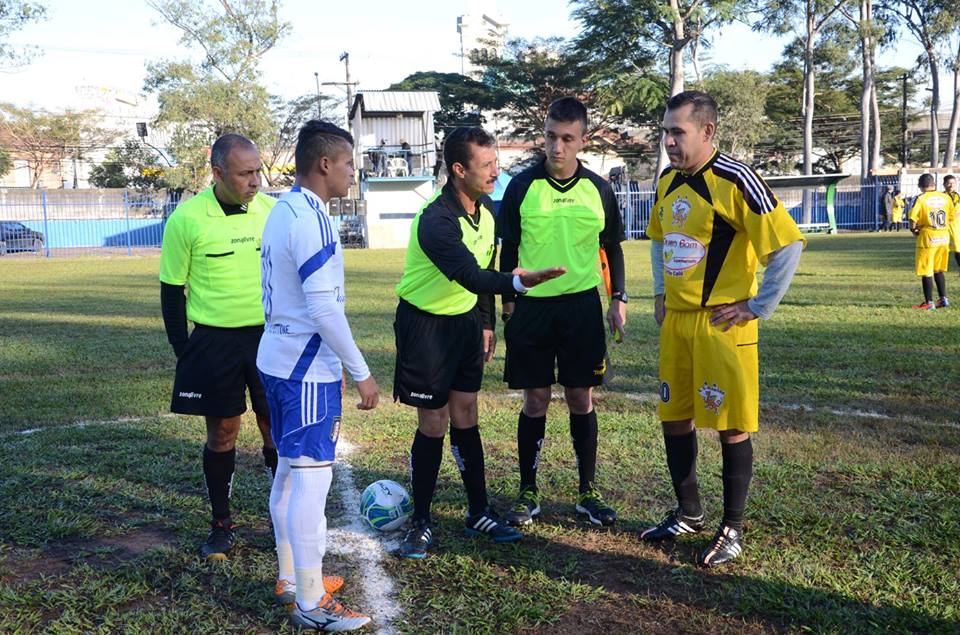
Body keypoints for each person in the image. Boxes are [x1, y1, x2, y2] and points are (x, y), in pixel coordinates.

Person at [640, 91, 804, 567]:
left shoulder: (737, 179)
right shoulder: (668, 181)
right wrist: (658, 293)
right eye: (666, 132)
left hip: (721, 325)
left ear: (707, 132)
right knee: (675, 417)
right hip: (678, 323)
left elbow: (788, 244)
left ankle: (731, 528)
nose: (669, 141)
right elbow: (658, 241)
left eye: (678, 132)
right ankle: (688, 513)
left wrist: (757, 305)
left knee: (730, 426)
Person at [393, 126, 566, 558]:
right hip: (425, 328)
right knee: (433, 423)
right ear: (458, 169)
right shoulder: (434, 220)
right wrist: (518, 283)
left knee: (467, 413)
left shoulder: (487, 211)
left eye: (496, 162)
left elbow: (482, 276)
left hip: (465, 324)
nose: (495, 171)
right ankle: (421, 521)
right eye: (486, 165)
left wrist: (486, 322)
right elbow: (471, 274)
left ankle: (477, 510)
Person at [257, 120, 378, 631]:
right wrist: (362, 372)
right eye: (349, 162)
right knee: (311, 479)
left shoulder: (282, 210)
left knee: (289, 472)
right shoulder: (313, 219)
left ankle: (293, 578)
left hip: (276, 359)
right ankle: (311, 600)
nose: (353, 172)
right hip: (304, 368)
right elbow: (325, 310)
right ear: (325, 164)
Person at [497, 96, 627, 528]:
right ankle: (527, 490)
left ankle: (588, 491)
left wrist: (618, 298)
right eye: (551, 136)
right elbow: (509, 250)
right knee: (535, 399)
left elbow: (612, 248)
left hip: (581, 308)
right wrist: (508, 303)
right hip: (532, 309)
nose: (557, 147)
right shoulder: (521, 187)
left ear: (582, 140)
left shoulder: (599, 189)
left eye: (567, 139)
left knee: (580, 396)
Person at [159, 133, 278, 561]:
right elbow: (172, 292)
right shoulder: (187, 219)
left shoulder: (274, 212)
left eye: (257, 171)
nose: (255, 180)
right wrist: (183, 350)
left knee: (275, 428)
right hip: (214, 341)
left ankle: (282, 520)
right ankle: (222, 524)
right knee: (223, 432)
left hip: (270, 337)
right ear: (218, 173)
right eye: (245, 173)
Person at [909, 173, 955, 309]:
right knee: (938, 269)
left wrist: (914, 231)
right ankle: (943, 299)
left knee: (926, 270)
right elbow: (951, 216)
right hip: (944, 236)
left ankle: (929, 303)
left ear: (920, 186)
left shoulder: (920, 199)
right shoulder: (946, 197)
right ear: (934, 184)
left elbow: (913, 219)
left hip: (928, 237)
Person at [944, 175, 960, 270]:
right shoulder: (941, 196)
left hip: (954, 227)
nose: (951, 185)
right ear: (944, 184)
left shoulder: (956, 196)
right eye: (948, 183)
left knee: (957, 249)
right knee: (942, 249)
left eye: (953, 183)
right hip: (943, 227)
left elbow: (955, 213)